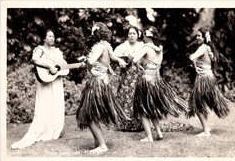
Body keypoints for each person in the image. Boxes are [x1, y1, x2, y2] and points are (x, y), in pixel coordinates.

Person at [76, 22, 130, 154]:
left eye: (93, 32)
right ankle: (97, 142)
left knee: (89, 115)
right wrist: (119, 61)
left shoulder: (100, 46)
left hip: (97, 82)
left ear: (96, 33)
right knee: (91, 114)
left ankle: (102, 145)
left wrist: (89, 67)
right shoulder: (106, 45)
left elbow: (91, 61)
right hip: (104, 82)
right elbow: (112, 57)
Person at [11, 29, 66, 149]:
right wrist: (50, 66)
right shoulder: (40, 49)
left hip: (56, 81)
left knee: (56, 103)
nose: (52, 38)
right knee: (45, 104)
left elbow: (62, 64)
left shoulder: (57, 51)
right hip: (45, 80)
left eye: (53, 36)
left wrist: (58, 69)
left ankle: (54, 130)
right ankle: (43, 130)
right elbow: (35, 60)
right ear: (44, 38)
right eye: (50, 36)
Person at [132, 26, 189, 142]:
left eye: (144, 34)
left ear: (148, 36)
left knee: (143, 110)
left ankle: (149, 137)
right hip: (156, 80)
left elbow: (134, 59)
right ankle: (158, 133)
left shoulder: (146, 47)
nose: (142, 36)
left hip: (146, 80)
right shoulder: (159, 49)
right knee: (152, 108)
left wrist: (138, 64)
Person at [186, 27, 230, 136]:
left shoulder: (203, 48)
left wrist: (192, 57)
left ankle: (206, 131)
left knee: (196, 104)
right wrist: (196, 66)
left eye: (199, 36)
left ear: (205, 37)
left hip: (204, 79)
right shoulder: (208, 48)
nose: (197, 38)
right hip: (208, 77)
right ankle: (206, 129)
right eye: (196, 36)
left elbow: (192, 58)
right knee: (199, 103)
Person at [113, 26, 144, 131]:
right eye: (130, 34)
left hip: (138, 75)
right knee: (125, 96)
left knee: (137, 97)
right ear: (127, 35)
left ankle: (138, 124)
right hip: (126, 76)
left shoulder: (142, 46)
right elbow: (114, 57)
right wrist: (120, 60)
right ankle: (125, 124)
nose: (131, 36)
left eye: (134, 33)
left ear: (138, 35)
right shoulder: (122, 46)